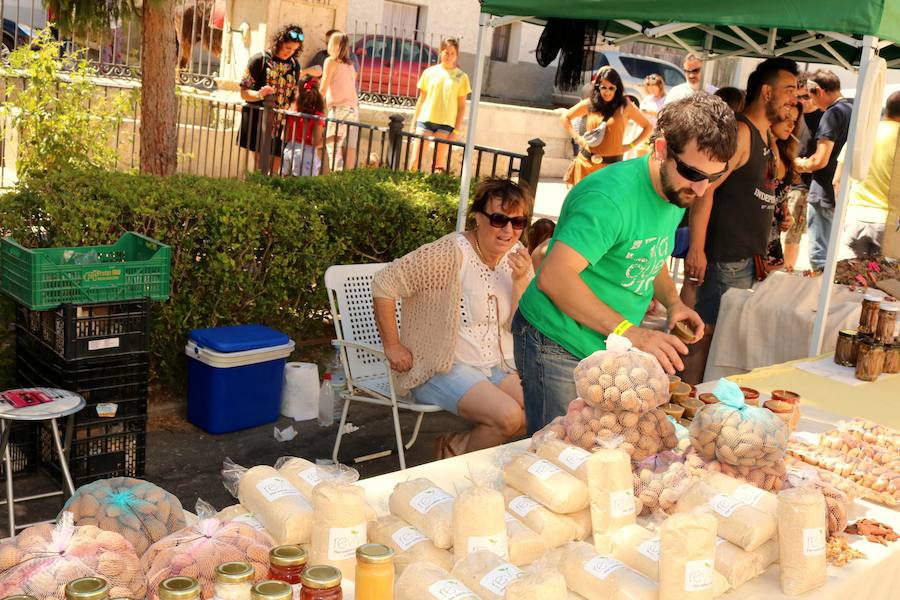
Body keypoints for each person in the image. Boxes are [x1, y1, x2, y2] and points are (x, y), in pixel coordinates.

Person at [513, 94, 736, 434]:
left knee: (597, 451)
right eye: (693, 173)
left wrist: (673, 302)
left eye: (715, 177)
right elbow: (554, 277)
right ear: (661, 148)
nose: (702, 189)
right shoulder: (610, 199)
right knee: (556, 455)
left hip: (607, 343)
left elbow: (650, 253)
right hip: (556, 340)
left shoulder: (677, 188)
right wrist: (630, 332)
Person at [372, 178, 534, 458]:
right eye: (498, 219)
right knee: (508, 417)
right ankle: (458, 455)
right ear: (478, 217)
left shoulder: (515, 260)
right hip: (442, 366)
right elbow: (384, 283)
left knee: (537, 410)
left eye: (518, 222)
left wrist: (520, 281)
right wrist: (393, 346)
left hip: (495, 365)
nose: (508, 230)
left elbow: (516, 325)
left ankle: (457, 447)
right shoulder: (452, 252)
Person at [682, 57, 799, 384]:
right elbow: (705, 191)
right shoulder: (742, 132)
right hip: (726, 261)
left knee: (718, 342)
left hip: (747, 260)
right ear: (766, 91)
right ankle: (685, 407)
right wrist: (697, 249)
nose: (793, 98)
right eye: (788, 90)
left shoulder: (763, 136)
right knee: (705, 339)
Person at [794, 69, 854, 271]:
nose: (808, 101)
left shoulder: (832, 113)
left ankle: (817, 300)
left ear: (818, 91)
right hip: (843, 192)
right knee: (831, 257)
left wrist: (799, 163)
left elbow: (820, 160)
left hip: (823, 191)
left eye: (809, 95)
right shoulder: (854, 107)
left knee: (820, 259)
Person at [834, 91, 900, 258]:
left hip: (855, 219)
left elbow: (838, 181)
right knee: (885, 282)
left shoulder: (863, 135)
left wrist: (844, 216)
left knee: (847, 281)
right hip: (890, 225)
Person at [561, 66, 652, 185]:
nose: (607, 92)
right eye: (604, 87)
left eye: (611, 88)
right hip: (586, 164)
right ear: (598, 87)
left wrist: (630, 146)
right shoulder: (591, 103)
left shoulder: (625, 106)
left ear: (617, 88)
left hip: (611, 168)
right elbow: (565, 118)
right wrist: (578, 138)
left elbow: (648, 127)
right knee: (582, 202)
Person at [238, 24, 305, 174]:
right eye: (288, 48)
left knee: (275, 169)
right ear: (279, 42)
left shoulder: (295, 65)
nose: (290, 52)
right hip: (258, 119)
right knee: (262, 167)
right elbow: (243, 92)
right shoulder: (259, 60)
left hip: (282, 122)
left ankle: (269, 192)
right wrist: (259, 95)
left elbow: (294, 93)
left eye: (294, 49)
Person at [409, 39, 471, 172]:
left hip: (446, 125)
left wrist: (455, 131)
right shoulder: (429, 72)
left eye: (452, 53)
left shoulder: (462, 76)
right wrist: (413, 124)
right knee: (414, 161)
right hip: (425, 121)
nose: (449, 56)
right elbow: (421, 99)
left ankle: (433, 191)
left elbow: (461, 107)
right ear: (440, 52)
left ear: (457, 55)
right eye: (446, 52)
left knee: (438, 165)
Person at [783, 74, 824, 270]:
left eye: (806, 97)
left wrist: (804, 164)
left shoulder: (824, 119)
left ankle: (787, 270)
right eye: (798, 97)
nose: (802, 102)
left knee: (793, 234)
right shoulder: (793, 114)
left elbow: (823, 156)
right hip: (784, 181)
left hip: (804, 187)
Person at [764, 104, 801, 271]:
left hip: (772, 239)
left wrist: (787, 216)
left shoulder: (785, 151)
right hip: (753, 239)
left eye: (794, 121)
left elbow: (781, 195)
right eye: (786, 118)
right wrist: (771, 139)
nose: (791, 125)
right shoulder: (764, 151)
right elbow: (774, 171)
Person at [319, 31, 359, 171]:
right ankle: (341, 177)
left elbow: (323, 88)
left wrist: (316, 106)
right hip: (352, 110)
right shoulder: (350, 65)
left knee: (333, 147)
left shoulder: (330, 61)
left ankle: (336, 178)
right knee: (339, 144)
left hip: (338, 108)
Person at [281, 75, 326, 177]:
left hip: (289, 151)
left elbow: (284, 137)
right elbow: (316, 142)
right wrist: (332, 139)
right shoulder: (317, 117)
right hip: (306, 157)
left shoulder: (291, 113)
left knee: (285, 186)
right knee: (302, 190)